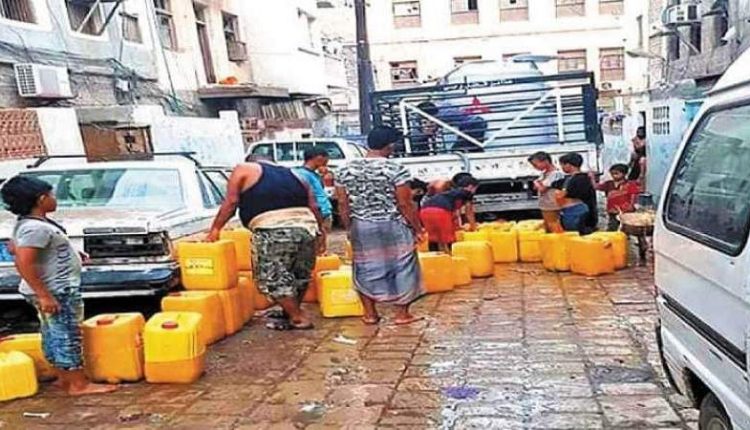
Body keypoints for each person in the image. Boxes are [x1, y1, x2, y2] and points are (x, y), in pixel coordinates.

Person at [1, 176, 117, 396]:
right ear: (41, 199)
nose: (55, 199)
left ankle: (63, 378)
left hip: (52, 288)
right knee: (68, 334)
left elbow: (17, 249)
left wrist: (73, 254)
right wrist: (44, 295)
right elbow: (23, 261)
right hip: (57, 290)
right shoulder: (35, 228)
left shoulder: (29, 223)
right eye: (52, 195)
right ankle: (78, 384)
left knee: (53, 332)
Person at [206, 160, 326, 330]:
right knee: (298, 275)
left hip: (272, 229)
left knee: (271, 277)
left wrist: (215, 228)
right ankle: (290, 311)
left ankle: (298, 318)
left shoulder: (244, 168)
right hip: (306, 228)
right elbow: (314, 206)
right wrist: (321, 231)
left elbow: (231, 202)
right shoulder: (297, 175)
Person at [335, 126, 425, 326]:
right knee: (403, 266)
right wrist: (417, 228)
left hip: (361, 225)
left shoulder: (344, 170)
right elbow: (405, 203)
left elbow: (342, 203)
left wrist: (349, 227)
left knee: (364, 266)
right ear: (390, 145)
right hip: (392, 224)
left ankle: (370, 314)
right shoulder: (395, 168)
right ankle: (401, 314)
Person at [419, 175, 478, 253]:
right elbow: (469, 212)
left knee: (433, 237)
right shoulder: (467, 193)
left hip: (424, 210)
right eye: (475, 189)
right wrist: (474, 228)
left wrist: (457, 226)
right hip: (440, 211)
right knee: (448, 238)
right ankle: (454, 256)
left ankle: (433, 256)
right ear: (470, 187)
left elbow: (454, 213)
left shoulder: (450, 193)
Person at [294, 147, 333, 247]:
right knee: (316, 244)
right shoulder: (302, 174)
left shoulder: (314, 174)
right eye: (325, 161)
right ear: (319, 158)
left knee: (322, 244)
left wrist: (322, 176)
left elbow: (320, 190)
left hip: (324, 212)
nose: (326, 164)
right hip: (317, 213)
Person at [552, 152, 598, 234]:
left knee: (573, 235)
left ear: (568, 165)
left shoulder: (581, 179)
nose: (561, 167)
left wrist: (563, 193)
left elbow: (575, 194)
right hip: (570, 212)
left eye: (562, 165)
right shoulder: (571, 178)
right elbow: (554, 184)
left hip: (576, 212)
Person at [594, 164, 641, 231]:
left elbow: (633, 196)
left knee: (625, 229)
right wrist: (592, 178)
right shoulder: (608, 184)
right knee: (612, 228)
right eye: (612, 174)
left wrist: (631, 206)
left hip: (626, 212)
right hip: (612, 211)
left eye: (616, 173)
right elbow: (596, 187)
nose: (614, 175)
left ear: (624, 174)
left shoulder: (630, 184)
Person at [528, 151, 565, 233]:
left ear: (546, 161)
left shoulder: (555, 174)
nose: (535, 167)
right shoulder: (544, 173)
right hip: (545, 204)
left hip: (552, 204)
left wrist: (536, 182)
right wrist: (537, 184)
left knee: (554, 225)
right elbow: (536, 187)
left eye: (536, 164)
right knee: (548, 225)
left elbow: (542, 188)